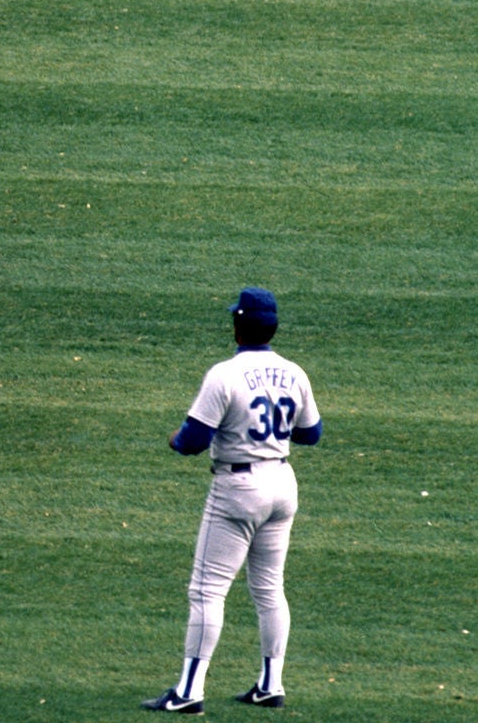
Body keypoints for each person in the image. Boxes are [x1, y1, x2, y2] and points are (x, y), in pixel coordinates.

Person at [141, 287, 322, 714]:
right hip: (282, 482)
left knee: (207, 591)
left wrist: (174, 439)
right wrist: (270, 435)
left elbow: (192, 442)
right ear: (272, 327)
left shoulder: (224, 374)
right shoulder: (294, 372)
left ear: (237, 326)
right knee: (270, 588)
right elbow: (311, 434)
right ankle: (270, 684)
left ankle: (188, 693)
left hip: (238, 490)